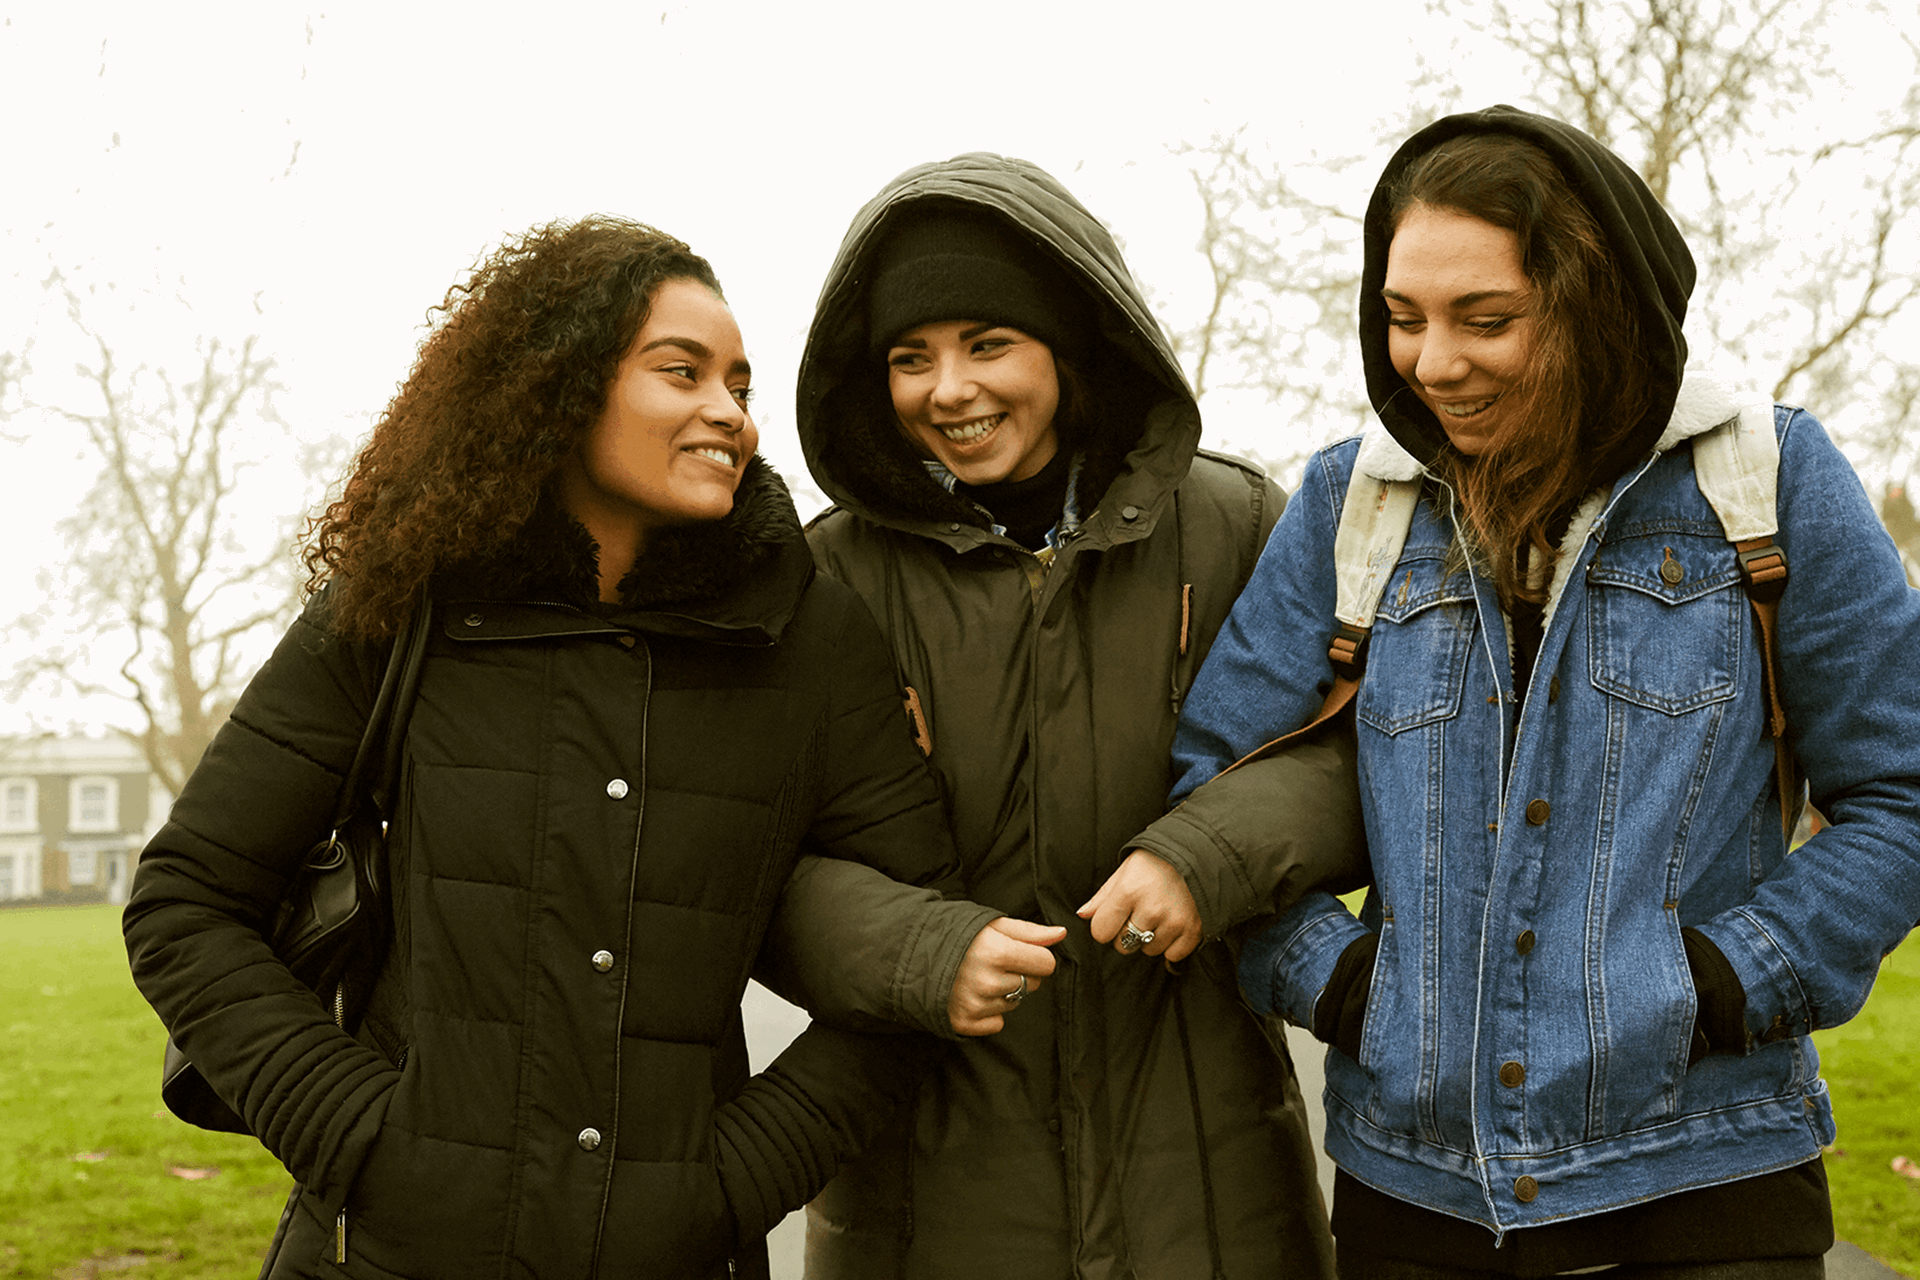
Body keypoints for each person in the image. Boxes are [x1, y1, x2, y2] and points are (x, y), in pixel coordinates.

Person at [122, 217, 1000, 1279]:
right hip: (384, 1253)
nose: (729, 413)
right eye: (682, 373)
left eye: (739, 385)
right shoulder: (405, 604)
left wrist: (729, 1181)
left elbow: (922, 961)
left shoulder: (811, 636)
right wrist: (360, 1137)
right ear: (562, 384)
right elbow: (186, 900)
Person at [1169, 105, 1920, 1277]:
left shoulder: (1770, 481)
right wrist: (1348, 985)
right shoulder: (1347, 503)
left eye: (1487, 319)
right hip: (1413, 1195)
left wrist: (1727, 980)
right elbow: (1217, 789)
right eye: (1403, 318)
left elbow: (1904, 793)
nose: (1432, 362)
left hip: (1711, 1177)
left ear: (1596, 307)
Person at [780, 153, 1338, 1279]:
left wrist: (1205, 857)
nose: (949, 390)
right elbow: (752, 857)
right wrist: (919, 948)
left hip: (1213, 1196)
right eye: (910, 358)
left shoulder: (1232, 522)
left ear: (1071, 348)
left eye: (988, 344)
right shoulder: (821, 577)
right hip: (927, 1201)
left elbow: (1340, 755)